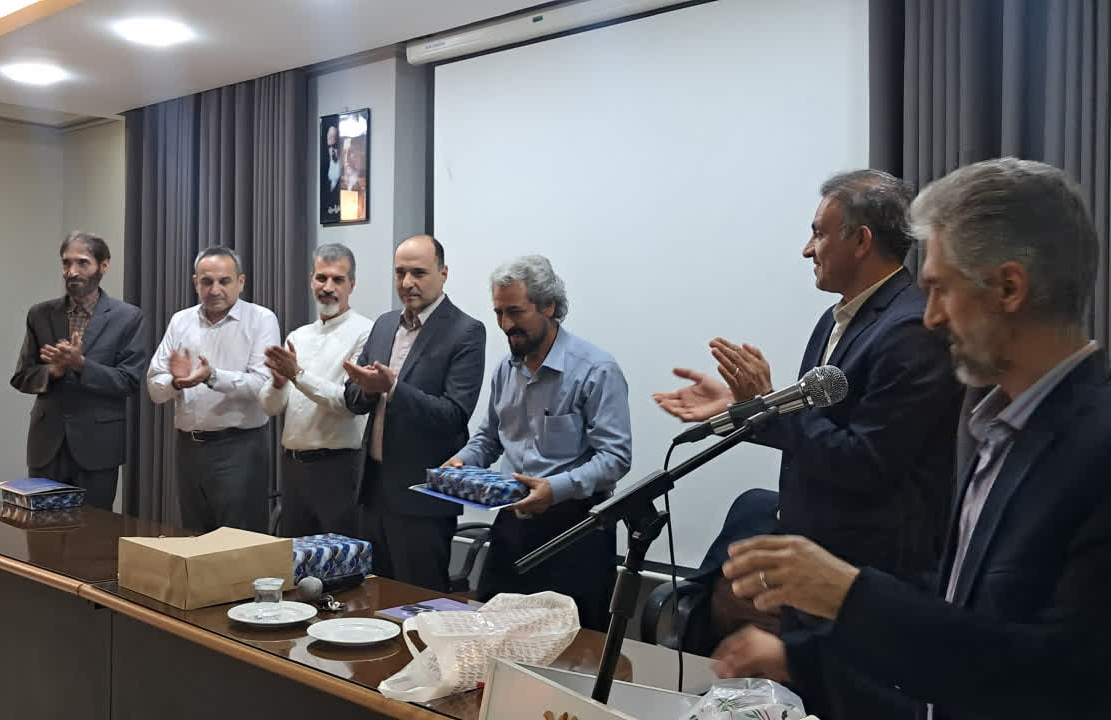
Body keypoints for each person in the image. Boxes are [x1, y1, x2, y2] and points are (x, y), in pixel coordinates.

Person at [716, 157, 1110, 720]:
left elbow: (1059, 675)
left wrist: (850, 596)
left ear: (1008, 288)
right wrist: (803, 655)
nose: (929, 318)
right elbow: (957, 609)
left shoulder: (1095, 448)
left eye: (940, 289)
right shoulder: (999, 429)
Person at [654, 170, 962, 719]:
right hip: (811, 574)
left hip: (863, 580)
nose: (806, 249)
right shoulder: (835, 319)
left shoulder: (910, 329)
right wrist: (739, 408)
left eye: (818, 233)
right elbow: (816, 432)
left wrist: (766, 404)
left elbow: (868, 463)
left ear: (861, 240)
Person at [445, 255, 631, 629]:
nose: (505, 325)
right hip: (511, 525)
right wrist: (463, 460)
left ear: (549, 306)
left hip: (576, 530)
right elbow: (490, 438)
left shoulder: (596, 369)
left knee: (572, 647)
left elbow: (615, 457)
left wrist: (556, 488)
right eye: (499, 312)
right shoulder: (505, 368)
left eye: (515, 312)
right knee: (493, 636)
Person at [344, 234, 486, 591]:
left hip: (423, 497)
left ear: (443, 274)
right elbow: (354, 398)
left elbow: (454, 415)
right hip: (373, 489)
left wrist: (393, 389)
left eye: (419, 273)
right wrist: (367, 388)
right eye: (400, 273)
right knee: (374, 597)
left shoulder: (466, 331)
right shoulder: (384, 324)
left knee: (418, 602)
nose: (407, 283)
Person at [147, 246, 281, 533]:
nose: (215, 290)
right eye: (207, 282)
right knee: (195, 537)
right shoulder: (181, 321)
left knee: (239, 542)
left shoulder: (261, 319)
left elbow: (262, 385)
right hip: (188, 449)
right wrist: (176, 382)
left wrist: (212, 376)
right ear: (196, 283)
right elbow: (155, 389)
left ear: (241, 282)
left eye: (224, 281)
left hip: (240, 447)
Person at [10, 232, 147, 511]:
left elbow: (128, 381)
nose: (72, 271)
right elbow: (22, 377)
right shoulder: (40, 314)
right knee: (42, 531)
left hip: (98, 447)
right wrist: (54, 370)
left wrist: (81, 365)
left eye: (82, 263)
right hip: (47, 447)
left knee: (93, 531)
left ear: (104, 266)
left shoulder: (128, 318)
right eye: (66, 263)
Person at [259, 243, 373, 537]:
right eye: (321, 278)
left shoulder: (366, 332)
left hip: (338, 467)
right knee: (295, 556)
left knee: (339, 556)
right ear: (312, 280)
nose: (328, 287)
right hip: (293, 467)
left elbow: (348, 404)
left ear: (352, 285)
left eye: (338, 279)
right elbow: (271, 407)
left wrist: (297, 375)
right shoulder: (298, 335)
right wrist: (278, 382)